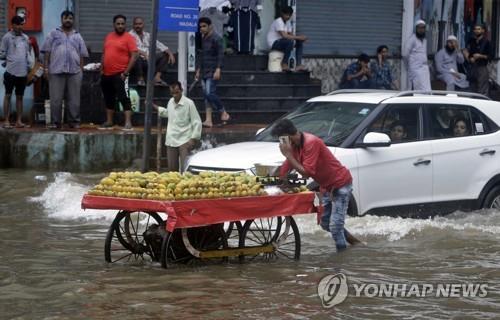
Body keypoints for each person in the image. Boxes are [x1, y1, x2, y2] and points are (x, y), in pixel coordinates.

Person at [271, 119, 353, 251]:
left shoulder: (311, 142)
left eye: (281, 139)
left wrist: (288, 154)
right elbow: (286, 168)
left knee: (335, 226)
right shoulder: (294, 147)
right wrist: (273, 181)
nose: (281, 143)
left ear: (288, 136)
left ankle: (341, 261)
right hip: (326, 187)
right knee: (325, 223)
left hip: (340, 184)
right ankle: (355, 243)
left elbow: (307, 173)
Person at [41, 10, 89, 129]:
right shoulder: (53, 33)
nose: (68, 20)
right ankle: (55, 122)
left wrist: (81, 71)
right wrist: (46, 69)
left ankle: (74, 121)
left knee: (74, 100)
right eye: (66, 18)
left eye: (70, 18)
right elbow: (46, 52)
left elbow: (82, 54)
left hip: (75, 72)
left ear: (73, 20)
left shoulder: (77, 35)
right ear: (61, 19)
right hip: (56, 71)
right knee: (56, 99)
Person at [100, 14, 138, 130]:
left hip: (121, 74)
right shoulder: (109, 36)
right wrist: (102, 68)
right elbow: (104, 53)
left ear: (125, 25)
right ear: (114, 25)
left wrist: (125, 72)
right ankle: (109, 121)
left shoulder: (129, 38)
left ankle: (128, 122)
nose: (120, 26)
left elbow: (135, 56)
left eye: (122, 24)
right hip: (106, 74)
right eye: (118, 24)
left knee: (124, 97)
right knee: (108, 98)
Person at [153, 81, 202, 172]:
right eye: (172, 93)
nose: (175, 95)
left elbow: (197, 122)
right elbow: (168, 113)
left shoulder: (189, 103)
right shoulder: (170, 102)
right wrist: (155, 107)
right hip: (171, 140)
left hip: (185, 140)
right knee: (172, 170)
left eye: (177, 92)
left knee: (185, 169)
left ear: (181, 90)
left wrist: (193, 139)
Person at [195, 17, 230, 128]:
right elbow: (201, 55)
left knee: (210, 93)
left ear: (210, 26)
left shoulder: (217, 38)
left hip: (213, 71)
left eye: (204, 26)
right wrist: (198, 69)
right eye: (200, 27)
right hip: (204, 71)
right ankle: (208, 120)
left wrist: (218, 69)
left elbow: (221, 55)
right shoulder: (203, 38)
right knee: (206, 96)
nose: (202, 29)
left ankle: (223, 112)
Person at [0, 16, 31, 128]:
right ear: (12, 25)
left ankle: (19, 121)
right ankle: (6, 121)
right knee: (8, 95)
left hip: (22, 73)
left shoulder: (26, 38)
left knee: (20, 97)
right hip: (10, 72)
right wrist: (7, 61)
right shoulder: (6, 37)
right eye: (17, 24)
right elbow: (2, 54)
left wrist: (29, 69)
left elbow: (28, 55)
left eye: (21, 24)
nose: (19, 27)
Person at [129, 17, 175, 87]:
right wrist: (144, 54)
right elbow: (131, 48)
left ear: (143, 25)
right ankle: (140, 79)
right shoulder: (129, 35)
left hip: (149, 60)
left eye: (140, 24)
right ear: (133, 25)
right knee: (136, 55)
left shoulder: (147, 35)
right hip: (138, 62)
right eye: (136, 24)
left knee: (165, 54)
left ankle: (157, 78)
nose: (138, 26)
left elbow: (159, 44)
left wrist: (170, 53)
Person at [266, 6, 307, 72]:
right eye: (286, 15)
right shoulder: (278, 21)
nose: (288, 17)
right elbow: (284, 36)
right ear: (282, 13)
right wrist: (299, 37)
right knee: (289, 42)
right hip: (274, 43)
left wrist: (301, 39)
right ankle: (284, 63)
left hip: (283, 42)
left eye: (289, 15)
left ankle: (298, 65)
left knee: (299, 42)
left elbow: (291, 35)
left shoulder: (288, 22)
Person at [464, 24, 492, 96]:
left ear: (483, 30)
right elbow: (468, 52)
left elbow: (490, 56)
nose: (476, 31)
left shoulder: (486, 42)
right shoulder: (471, 41)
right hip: (472, 67)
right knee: (472, 89)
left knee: (482, 91)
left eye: (479, 29)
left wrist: (480, 56)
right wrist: (470, 58)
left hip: (481, 67)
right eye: (475, 29)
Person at [403, 20, 431, 91]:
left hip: (424, 68)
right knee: (418, 88)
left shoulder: (424, 40)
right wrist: (408, 65)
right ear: (416, 29)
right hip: (415, 68)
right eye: (419, 28)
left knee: (427, 89)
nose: (421, 30)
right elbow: (405, 54)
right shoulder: (412, 39)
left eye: (423, 28)